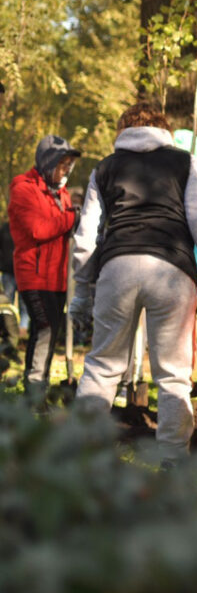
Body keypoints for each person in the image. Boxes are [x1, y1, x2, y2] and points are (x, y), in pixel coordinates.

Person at [70, 102, 197, 466]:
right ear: (162, 129)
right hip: (173, 272)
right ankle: (173, 463)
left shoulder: (105, 168)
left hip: (118, 268)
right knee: (174, 375)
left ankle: (81, 454)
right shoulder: (183, 164)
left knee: (101, 367)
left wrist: (81, 291)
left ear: (122, 130)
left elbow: (85, 237)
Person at [8, 135, 81, 405]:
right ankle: (34, 394)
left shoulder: (59, 192)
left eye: (69, 166)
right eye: (62, 165)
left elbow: (61, 222)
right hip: (34, 275)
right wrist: (72, 216)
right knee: (45, 329)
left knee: (50, 334)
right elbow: (38, 229)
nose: (66, 171)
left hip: (57, 278)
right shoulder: (23, 188)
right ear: (48, 162)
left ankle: (40, 387)